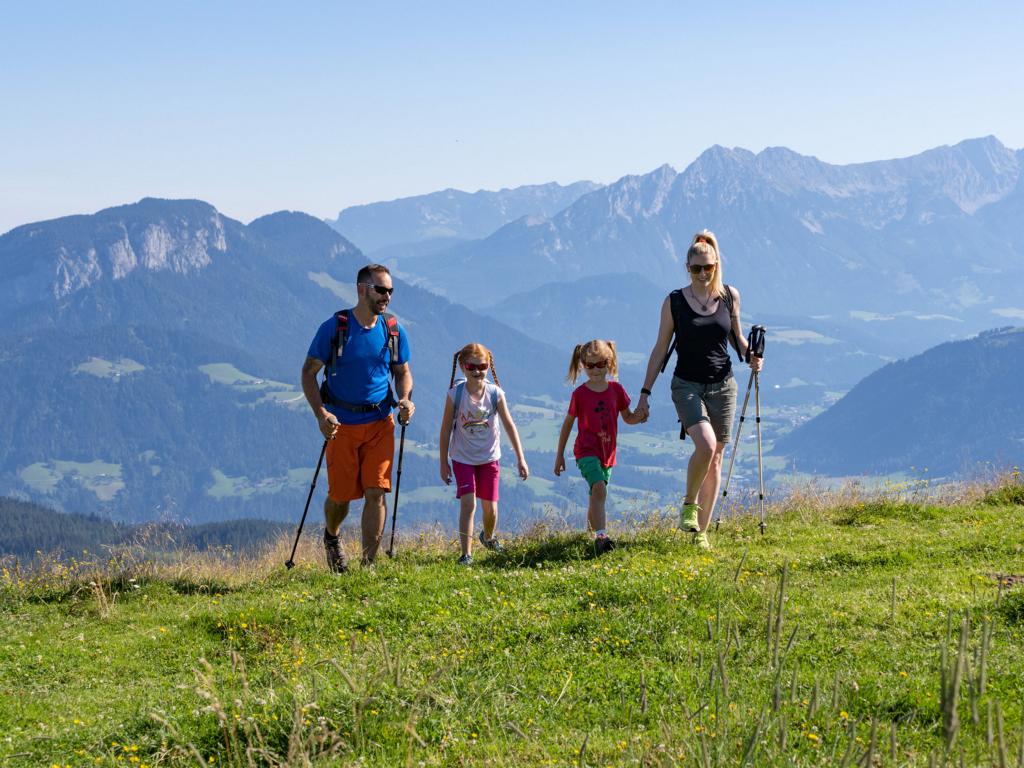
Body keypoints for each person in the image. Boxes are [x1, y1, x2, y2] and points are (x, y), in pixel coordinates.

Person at [634, 230, 763, 550]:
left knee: (716, 457)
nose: (703, 273)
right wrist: (645, 393)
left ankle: (700, 534)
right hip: (687, 384)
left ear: (717, 265)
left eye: (708, 267)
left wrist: (751, 356)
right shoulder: (674, 302)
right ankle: (689, 505)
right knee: (705, 446)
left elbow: (736, 337)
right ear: (687, 268)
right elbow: (660, 349)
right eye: (696, 269)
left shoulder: (730, 296)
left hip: (723, 385)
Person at [300, 264, 414, 571]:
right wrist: (320, 413)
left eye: (390, 290)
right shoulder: (335, 328)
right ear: (362, 289)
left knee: (376, 492)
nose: (387, 296)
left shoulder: (392, 329)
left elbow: (403, 372)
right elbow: (309, 373)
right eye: (381, 290)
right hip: (341, 426)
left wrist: (404, 399)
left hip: (380, 422)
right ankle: (332, 536)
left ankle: (368, 565)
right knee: (340, 499)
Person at [439, 343, 529, 565]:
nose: (477, 371)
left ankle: (488, 537)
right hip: (462, 458)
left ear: (489, 366)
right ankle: (466, 554)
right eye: (472, 366)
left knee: (491, 508)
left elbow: (509, 425)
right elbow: (444, 430)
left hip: (489, 458)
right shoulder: (455, 394)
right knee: (468, 504)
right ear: (462, 366)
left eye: (482, 366)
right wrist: (443, 462)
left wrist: (521, 458)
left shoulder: (495, 394)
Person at [554, 340, 646, 554]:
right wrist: (559, 456)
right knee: (599, 488)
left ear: (610, 362)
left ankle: (590, 532)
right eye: (590, 365)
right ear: (582, 365)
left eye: (600, 364)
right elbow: (567, 425)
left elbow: (628, 418)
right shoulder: (579, 394)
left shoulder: (616, 390)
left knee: (596, 493)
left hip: (608, 452)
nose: (595, 369)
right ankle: (601, 537)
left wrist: (640, 415)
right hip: (586, 450)